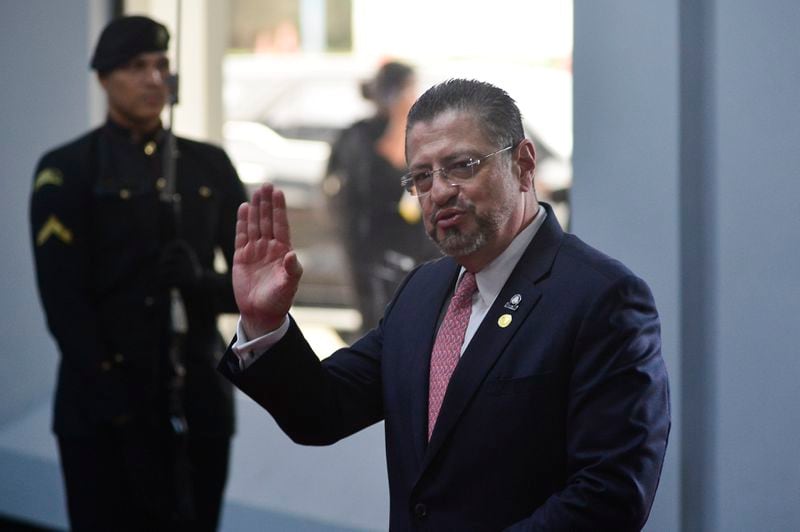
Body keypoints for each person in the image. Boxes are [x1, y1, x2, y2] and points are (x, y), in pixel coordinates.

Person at [220, 79, 670, 530]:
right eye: (421, 177)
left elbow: (610, 496)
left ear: (524, 164)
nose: (438, 191)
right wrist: (264, 322)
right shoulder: (423, 291)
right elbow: (322, 412)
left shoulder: (601, 297)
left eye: (462, 165)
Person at [30, 16, 246, 531]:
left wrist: (201, 282)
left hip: (196, 397)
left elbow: (252, 287)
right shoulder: (68, 169)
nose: (154, 79)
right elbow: (63, 301)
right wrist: (110, 392)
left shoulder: (207, 165)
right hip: (103, 404)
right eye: (136, 67)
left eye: (161, 65)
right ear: (103, 77)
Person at [323, 61, 440, 334]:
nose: (415, 97)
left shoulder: (418, 131)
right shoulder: (359, 135)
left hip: (414, 245)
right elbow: (365, 182)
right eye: (410, 89)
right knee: (379, 321)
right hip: (372, 244)